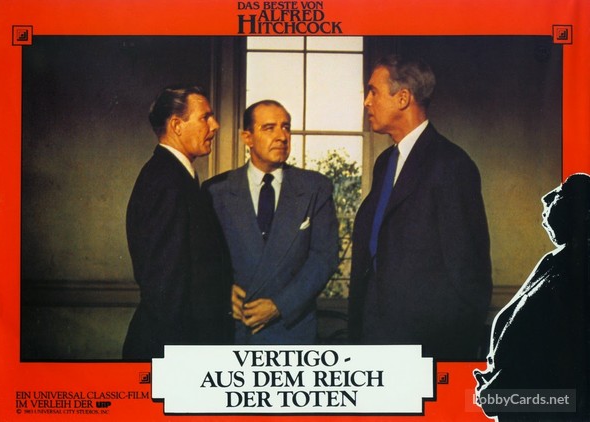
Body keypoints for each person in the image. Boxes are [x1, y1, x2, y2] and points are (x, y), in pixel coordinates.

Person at [349, 55, 492, 360]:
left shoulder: (452, 164)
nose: (366, 102)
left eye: (373, 91)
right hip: (374, 335)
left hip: (425, 345)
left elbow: (469, 274)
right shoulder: (385, 162)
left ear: (403, 98)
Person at [204, 100, 339, 344]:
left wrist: (280, 305)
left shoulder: (315, 187)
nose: (281, 136)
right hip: (234, 329)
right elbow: (204, 260)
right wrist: (222, 291)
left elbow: (324, 257)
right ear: (247, 137)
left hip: (292, 330)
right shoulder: (216, 190)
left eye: (286, 127)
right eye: (269, 128)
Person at [123, 86, 233, 360]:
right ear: (176, 125)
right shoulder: (166, 182)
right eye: (205, 117)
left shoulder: (176, 178)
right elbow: (165, 289)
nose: (215, 125)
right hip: (172, 351)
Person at [475, 174, 590, 421]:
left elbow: (572, 393)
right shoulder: (553, 262)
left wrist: (504, 396)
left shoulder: (580, 276)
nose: (546, 198)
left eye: (561, 192)